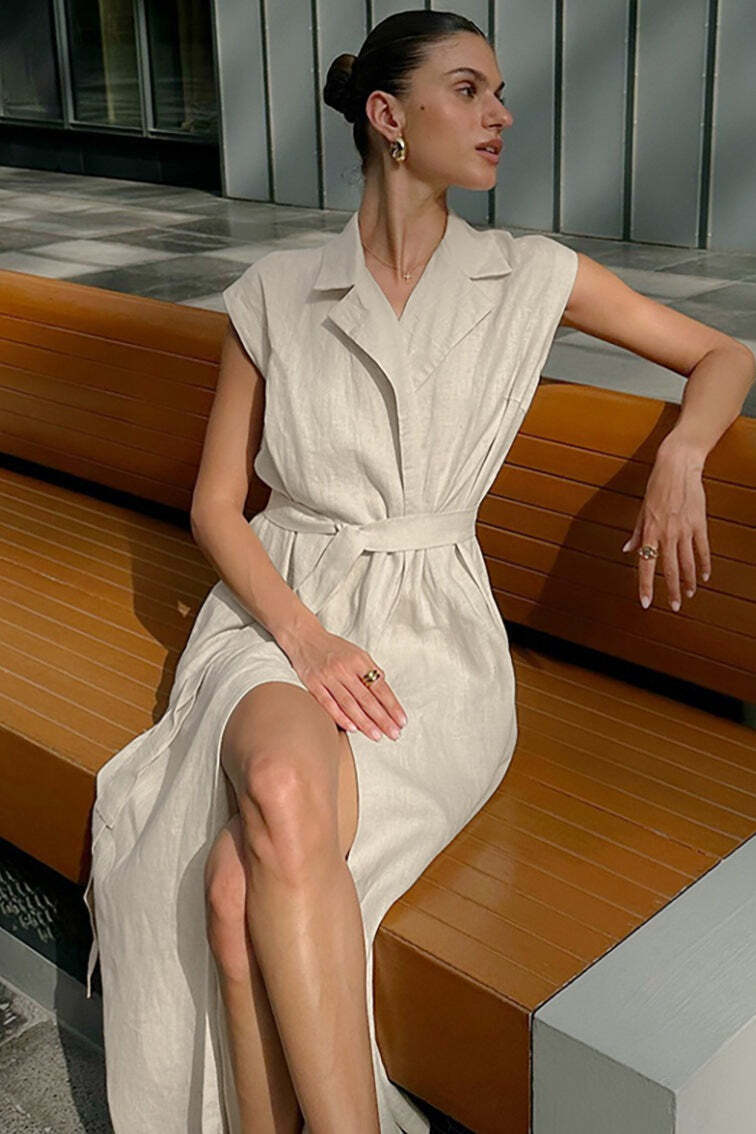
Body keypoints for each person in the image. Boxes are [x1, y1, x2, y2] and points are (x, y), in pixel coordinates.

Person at [83, 7, 749, 1134]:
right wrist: (305, 640)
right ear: (390, 117)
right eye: (470, 90)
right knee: (280, 788)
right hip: (278, 614)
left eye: (499, 92)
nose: (502, 115)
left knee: (236, 889)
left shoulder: (529, 273)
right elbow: (215, 506)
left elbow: (724, 352)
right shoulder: (274, 292)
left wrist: (682, 454)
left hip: (434, 641)